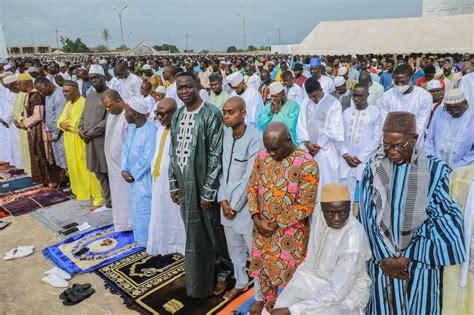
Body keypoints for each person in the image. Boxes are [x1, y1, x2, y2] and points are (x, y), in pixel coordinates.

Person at [359, 111, 466, 315]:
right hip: (382, 264)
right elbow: (366, 216)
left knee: (419, 307)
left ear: (414, 139)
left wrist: (407, 256)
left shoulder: (435, 170)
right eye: (386, 144)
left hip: (419, 263)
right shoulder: (373, 168)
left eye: (399, 145)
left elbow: (444, 218)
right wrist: (386, 258)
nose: (391, 151)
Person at [168, 72, 231, 298]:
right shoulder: (177, 115)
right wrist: (173, 184)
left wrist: (208, 191)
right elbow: (173, 152)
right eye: (180, 88)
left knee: (213, 231)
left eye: (188, 87)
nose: (184, 91)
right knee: (194, 232)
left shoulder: (211, 114)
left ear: (198, 87)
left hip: (204, 186)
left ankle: (223, 271)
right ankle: (201, 272)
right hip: (184, 186)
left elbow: (215, 155)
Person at [248, 121, 318, 312]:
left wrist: (277, 223)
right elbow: (252, 187)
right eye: (268, 149)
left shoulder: (307, 164)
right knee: (265, 280)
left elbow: (305, 204)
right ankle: (270, 308)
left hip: (290, 237)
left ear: (289, 140)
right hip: (262, 233)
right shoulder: (263, 156)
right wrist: (256, 218)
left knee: (291, 286)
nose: (271, 154)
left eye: (275, 149)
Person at [272, 184, 371, 315]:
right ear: (322, 208)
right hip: (308, 277)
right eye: (331, 213)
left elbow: (338, 291)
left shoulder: (353, 239)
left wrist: (293, 310)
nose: (337, 219)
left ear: (349, 208)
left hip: (346, 291)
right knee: (281, 305)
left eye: (343, 212)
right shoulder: (318, 212)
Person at [218, 96, 262, 301]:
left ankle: (262, 293)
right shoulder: (225, 134)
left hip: (244, 206)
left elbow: (250, 176)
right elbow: (221, 169)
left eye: (231, 112)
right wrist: (222, 200)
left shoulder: (255, 137)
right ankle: (241, 282)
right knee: (234, 249)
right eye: (224, 112)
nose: (226, 116)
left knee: (253, 250)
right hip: (225, 203)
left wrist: (234, 205)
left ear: (243, 114)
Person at [147, 98, 185, 256]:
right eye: (157, 114)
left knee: (176, 215)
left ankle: (179, 244)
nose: (159, 118)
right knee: (160, 211)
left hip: (174, 181)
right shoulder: (160, 129)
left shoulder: (181, 130)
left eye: (162, 114)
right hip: (158, 179)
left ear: (174, 113)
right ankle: (164, 243)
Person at [57, 80, 102, 207]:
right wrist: (61, 124)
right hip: (69, 141)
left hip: (80, 141)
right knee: (74, 168)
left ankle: (97, 197)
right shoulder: (67, 104)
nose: (65, 94)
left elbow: (77, 125)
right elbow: (60, 120)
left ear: (76, 90)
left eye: (67, 91)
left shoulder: (83, 103)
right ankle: (81, 192)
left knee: (87, 168)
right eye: (63, 91)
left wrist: (64, 124)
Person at [297, 77, 345, 190]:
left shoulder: (333, 103)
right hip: (308, 150)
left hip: (326, 151)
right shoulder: (305, 103)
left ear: (321, 89)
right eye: (310, 96)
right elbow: (301, 125)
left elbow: (334, 129)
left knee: (327, 185)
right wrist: (308, 143)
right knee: (309, 185)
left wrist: (318, 145)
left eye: (315, 95)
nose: (313, 98)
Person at [121, 96, 156, 247]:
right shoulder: (133, 128)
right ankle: (140, 240)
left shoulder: (151, 131)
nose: (124, 114)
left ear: (135, 114)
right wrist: (124, 169)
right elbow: (125, 149)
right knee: (136, 209)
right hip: (131, 178)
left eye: (126, 111)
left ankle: (150, 243)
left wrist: (133, 173)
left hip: (143, 179)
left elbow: (148, 158)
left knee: (145, 211)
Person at [16, 73, 61, 186]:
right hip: (33, 130)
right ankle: (45, 180)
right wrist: (21, 119)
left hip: (40, 131)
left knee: (45, 155)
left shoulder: (35, 95)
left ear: (25, 83)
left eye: (18, 84)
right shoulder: (28, 94)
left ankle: (53, 180)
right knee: (37, 155)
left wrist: (24, 124)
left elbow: (38, 115)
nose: (17, 87)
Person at [340, 83, 382, 197]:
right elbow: (340, 136)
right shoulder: (346, 112)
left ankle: (361, 215)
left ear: (367, 95)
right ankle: (348, 215)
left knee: (365, 194)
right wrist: (345, 155)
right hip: (346, 161)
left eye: (360, 96)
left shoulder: (376, 112)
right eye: (354, 95)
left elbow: (377, 139)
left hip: (365, 161)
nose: (356, 98)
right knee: (346, 194)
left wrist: (361, 158)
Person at [79, 65, 111, 212]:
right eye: (91, 78)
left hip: (103, 140)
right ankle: (108, 202)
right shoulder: (90, 96)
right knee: (98, 172)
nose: (94, 81)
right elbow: (84, 115)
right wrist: (80, 130)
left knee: (107, 171)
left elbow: (108, 119)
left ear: (104, 77)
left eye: (97, 78)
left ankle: (112, 202)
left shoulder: (111, 94)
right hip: (89, 141)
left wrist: (91, 133)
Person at [101, 89, 132, 232]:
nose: (108, 110)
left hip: (125, 167)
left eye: (109, 106)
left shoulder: (129, 116)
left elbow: (131, 143)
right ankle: (122, 223)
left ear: (119, 101)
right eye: (105, 107)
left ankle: (131, 224)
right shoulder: (112, 115)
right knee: (118, 196)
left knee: (127, 196)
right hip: (113, 167)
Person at [380, 64, 432, 140]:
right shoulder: (387, 96)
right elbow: (384, 123)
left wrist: (407, 144)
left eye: (402, 82)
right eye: (396, 82)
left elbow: (421, 126)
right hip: (391, 143)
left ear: (412, 78)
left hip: (413, 143)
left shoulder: (424, 97)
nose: (399, 85)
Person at [425, 89, 473, 168]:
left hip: (463, 169)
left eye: (456, 109)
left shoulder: (472, 117)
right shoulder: (440, 111)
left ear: (465, 103)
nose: (452, 112)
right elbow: (429, 139)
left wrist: (455, 167)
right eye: (448, 110)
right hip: (436, 166)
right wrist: (432, 161)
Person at [34, 77, 67, 183]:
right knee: (59, 160)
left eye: (40, 90)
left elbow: (60, 116)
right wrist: (48, 131)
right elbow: (48, 115)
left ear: (47, 85)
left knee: (66, 159)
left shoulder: (59, 95)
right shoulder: (48, 95)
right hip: (53, 133)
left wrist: (54, 134)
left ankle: (72, 182)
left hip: (61, 133)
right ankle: (66, 180)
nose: (40, 93)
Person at [6, 75, 30, 174]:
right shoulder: (17, 93)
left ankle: (31, 170)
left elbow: (27, 110)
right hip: (18, 124)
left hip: (26, 124)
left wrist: (20, 119)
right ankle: (26, 168)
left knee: (27, 148)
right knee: (21, 147)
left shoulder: (24, 94)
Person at [0, 74, 23, 169]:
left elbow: (14, 107)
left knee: (18, 143)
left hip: (16, 121)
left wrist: (5, 119)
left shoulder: (17, 92)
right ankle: (15, 163)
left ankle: (21, 165)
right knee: (13, 143)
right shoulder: (10, 90)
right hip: (10, 120)